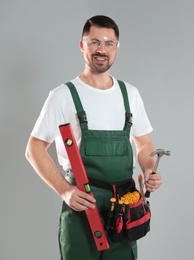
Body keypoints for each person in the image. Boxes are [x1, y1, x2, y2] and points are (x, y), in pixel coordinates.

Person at [25, 15, 162, 260]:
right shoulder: (62, 96)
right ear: (82, 45)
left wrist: (149, 168)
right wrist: (65, 191)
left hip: (124, 209)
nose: (102, 49)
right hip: (83, 208)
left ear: (117, 48)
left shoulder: (129, 94)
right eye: (94, 42)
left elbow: (144, 144)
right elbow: (34, 149)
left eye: (109, 43)